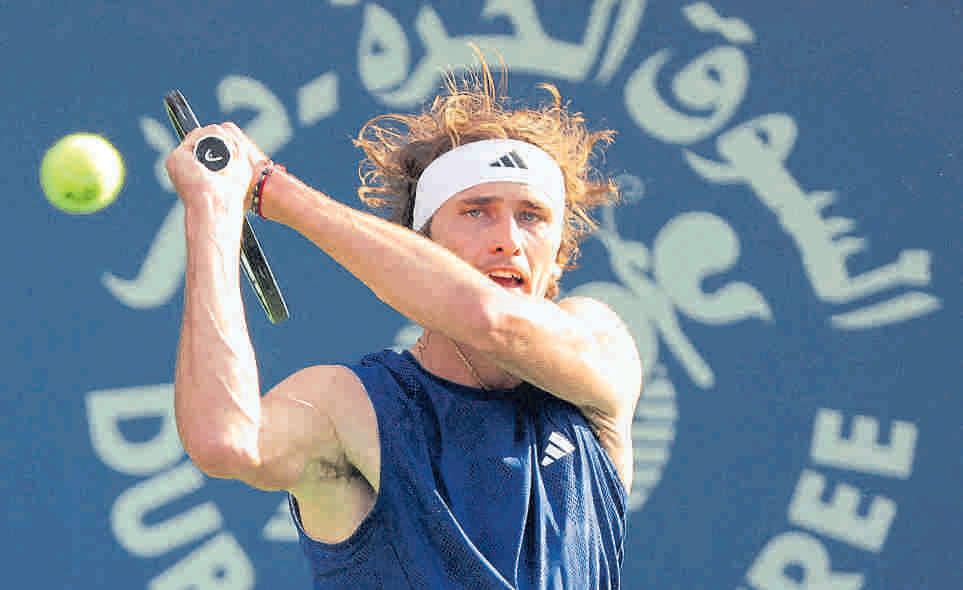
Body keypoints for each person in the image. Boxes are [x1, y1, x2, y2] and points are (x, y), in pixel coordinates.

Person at [166, 62, 642, 589]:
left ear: (559, 258)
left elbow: (492, 321)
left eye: (531, 215)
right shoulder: (348, 406)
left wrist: (271, 190)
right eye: (476, 211)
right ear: (421, 244)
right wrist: (213, 208)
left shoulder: (600, 345)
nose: (508, 239)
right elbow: (225, 441)